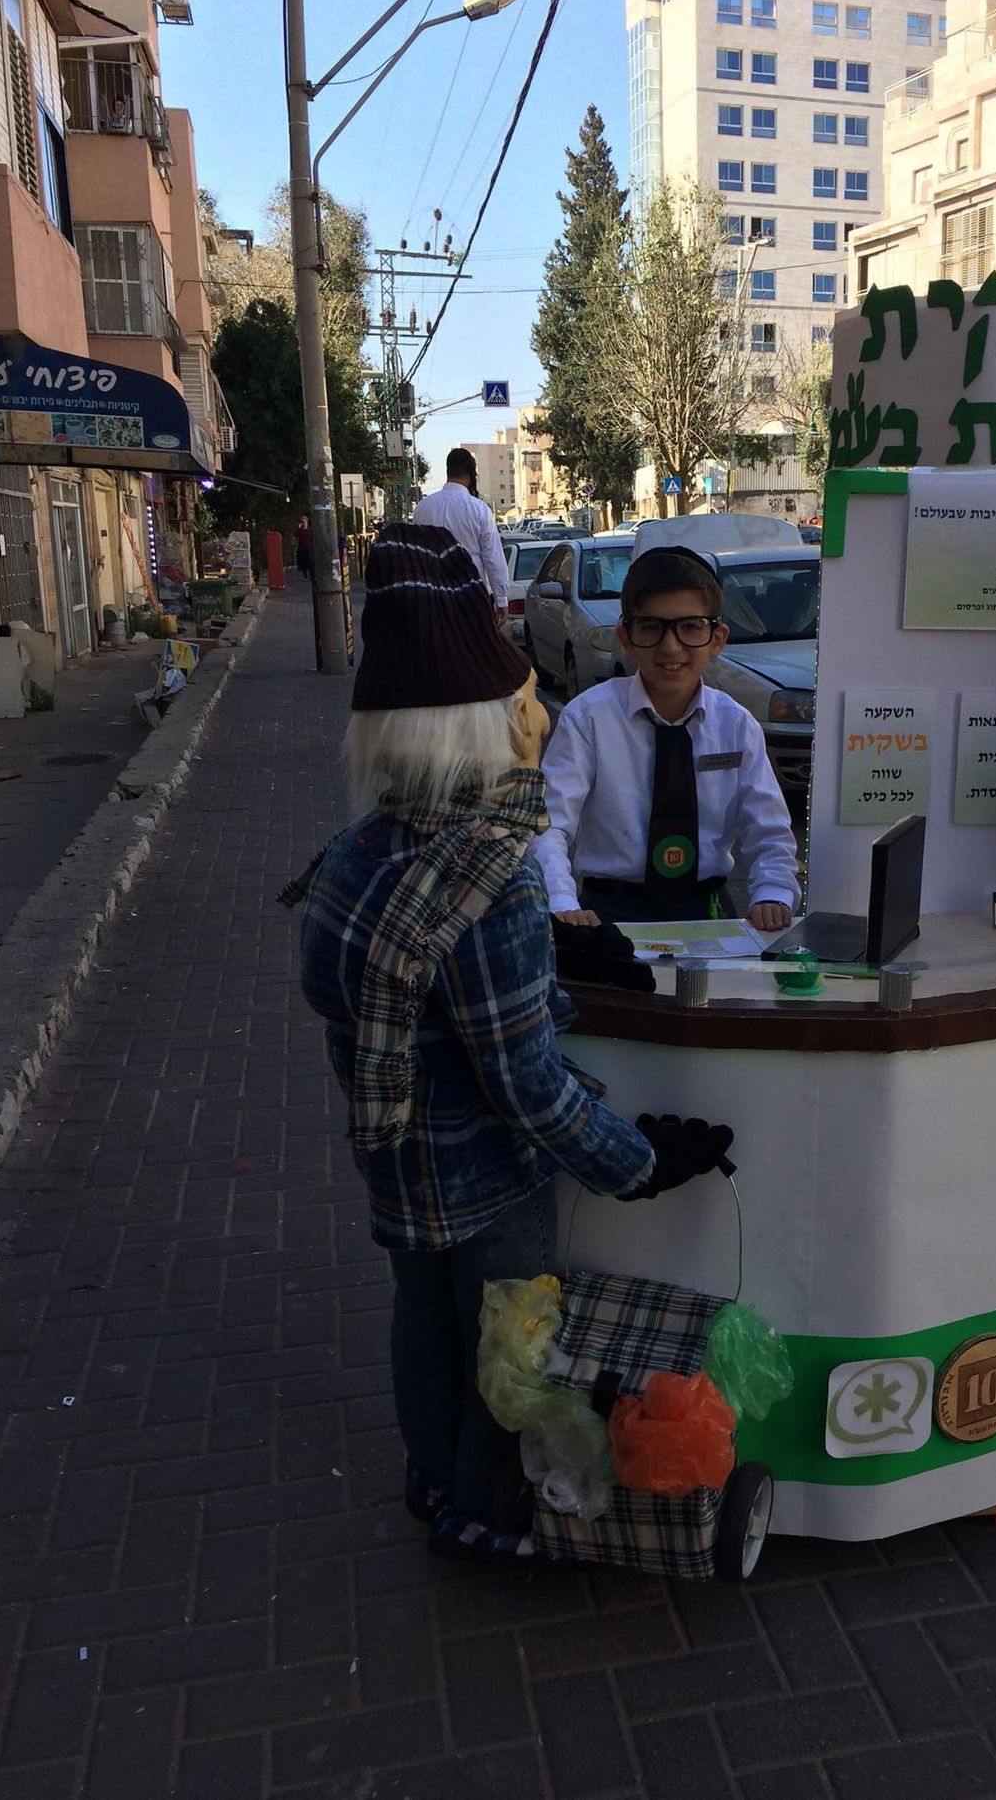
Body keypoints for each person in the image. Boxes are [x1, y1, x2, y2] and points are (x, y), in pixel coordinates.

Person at [283, 523, 729, 1558]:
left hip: (395, 1163)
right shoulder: (491, 873)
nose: (541, 711)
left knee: (421, 1326)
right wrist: (639, 1162)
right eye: (523, 697)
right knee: (504, 1355)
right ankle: (484, 1512)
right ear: (476, 726)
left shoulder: (356, 851)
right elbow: (526, 1087)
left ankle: (430, 1480)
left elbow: (402, 1002)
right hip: (487, 1185)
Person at [534, 545, 799, 931]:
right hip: (609, 908)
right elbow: (551, 822)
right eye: (651, 627)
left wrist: (773, 892)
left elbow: (768, 828)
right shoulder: (588, 718)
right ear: (625, 636)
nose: (671, 647)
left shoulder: (736, 724)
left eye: (691, 627)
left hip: (705, 907)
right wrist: (560, 900)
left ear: (717, 638)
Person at [412, 447, 509, 615]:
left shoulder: (423, 508)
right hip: (472, 598)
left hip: (433, 598)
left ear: (448, 470)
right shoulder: (479, 509)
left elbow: (415, 555)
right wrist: (501, 600)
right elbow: (492, 557)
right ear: (471, 474)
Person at [294, 516, 313, 581]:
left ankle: (311, 575)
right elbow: (296, 534)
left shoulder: (310, 530)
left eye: (305, 522)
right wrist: (299, 528)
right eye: (302, 522)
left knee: (310, 562)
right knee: (304, 563)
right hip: (302, 548)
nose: (304, 523)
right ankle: (305, 576)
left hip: (309, 548)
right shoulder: (300, 530)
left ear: (307, 522)